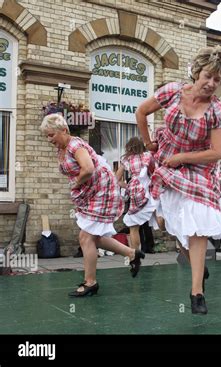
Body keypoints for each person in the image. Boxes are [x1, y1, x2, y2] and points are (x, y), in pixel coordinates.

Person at [135, 45, 221, 315]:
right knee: (175, 225)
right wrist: (148, 143)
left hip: (200, 165)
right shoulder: (173, 92)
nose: (211, 83)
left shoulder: (217, 110)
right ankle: (198, 268)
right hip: (167, 160)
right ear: (196, 73)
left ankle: (196, 291)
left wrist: (183, 158)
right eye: (208, 76)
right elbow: (141, 112)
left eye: (218, 79)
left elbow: (218, 152)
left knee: (197, 221)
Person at [40, 114, 145, 297]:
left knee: (86, 237)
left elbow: (88, 169)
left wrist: (76, 183)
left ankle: (91, 283)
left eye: (51, 135)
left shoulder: (75, 145)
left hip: (101, 190)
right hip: (91, 192)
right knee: (94, 237)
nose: (49, 140)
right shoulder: (63, 148)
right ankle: (132, 253)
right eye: (46, 136)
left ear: (64, 130)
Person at [116, 137, 159, 250]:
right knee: (159, 212)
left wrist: (127, 186)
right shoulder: (148, 156)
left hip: (135, 192)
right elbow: (156, 171)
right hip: (150, 189)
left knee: (134, 227)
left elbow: (116, 179)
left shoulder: (127, 159)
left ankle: (136, 254)